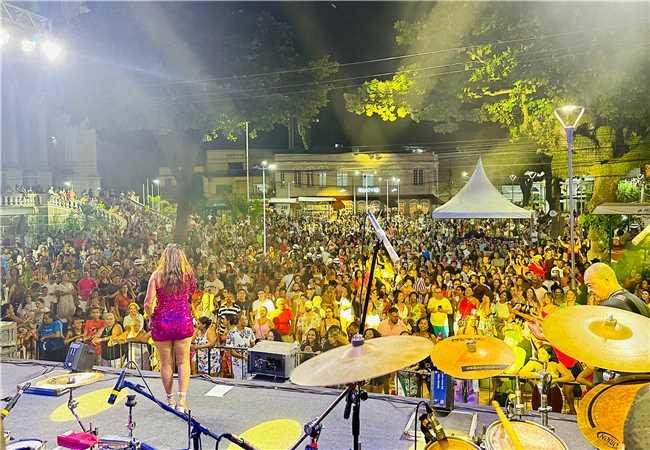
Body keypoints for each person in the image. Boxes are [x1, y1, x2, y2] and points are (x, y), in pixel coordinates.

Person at [144, 244, 197, 413]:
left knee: (166, 363)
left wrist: (151, 317)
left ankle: (170, 400)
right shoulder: (187, 275)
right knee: (183, 362)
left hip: (162, 321)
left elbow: (147, 302)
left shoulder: (156, 275)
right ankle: (182, 401)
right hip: (182, 320)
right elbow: (191, 295)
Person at [584, 262, 650, 317]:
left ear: (606, 280)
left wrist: (593, 311)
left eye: (590, 285)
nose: (588, 290)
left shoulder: (610, 306)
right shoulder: (636, 300)